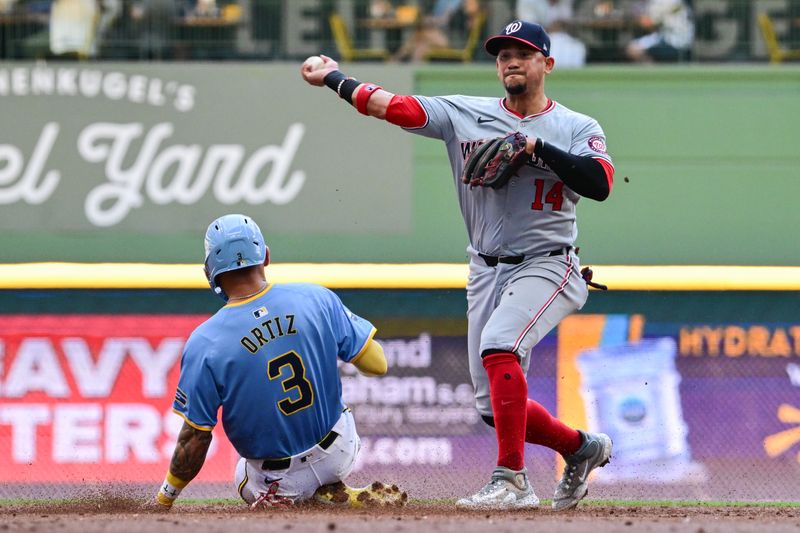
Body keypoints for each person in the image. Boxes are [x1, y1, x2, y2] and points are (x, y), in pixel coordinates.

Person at [301, 20, 614, 511]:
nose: (510, 60)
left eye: (523, 53)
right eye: (502, 53)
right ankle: (581, 448)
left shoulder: (577, 127)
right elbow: (391, 106)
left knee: (499, 346)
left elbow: (599, 183)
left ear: (547, 64)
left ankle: (512, 480)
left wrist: (538, 148)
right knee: (493, 409)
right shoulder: (464, 114)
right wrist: (335, 78)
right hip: (485, 269)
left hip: (548, 264)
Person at [155, 214, 407, 510]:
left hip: (279, 477)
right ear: (265, 255)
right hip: (340, 450)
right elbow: (377, 365)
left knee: (241, 475)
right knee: (338, 414)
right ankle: (331, 491)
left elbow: (196, 437)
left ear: (210, 271)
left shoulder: (205, 341)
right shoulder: (315, 298)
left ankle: (292, 496)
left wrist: (164, 498)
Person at [516, 0, 586, 67]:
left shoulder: (565, 2)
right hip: (537, 40)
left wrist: (562, 25)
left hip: (563, 37)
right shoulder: (528, 1)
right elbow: (528, 28)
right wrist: (551, 28)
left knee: (578, 48)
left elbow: (569, 21)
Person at [625, 0, 694, 63]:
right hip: (678, 39)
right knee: (634, 47)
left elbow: (647, 23)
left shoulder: (661, 2)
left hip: (672, 41)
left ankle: (651, 71)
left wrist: (631, 19)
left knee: (633, 49)